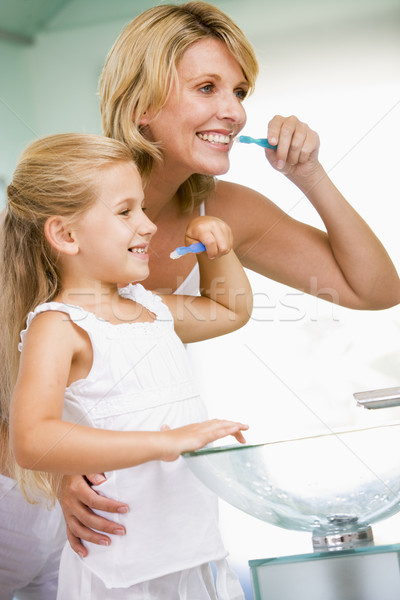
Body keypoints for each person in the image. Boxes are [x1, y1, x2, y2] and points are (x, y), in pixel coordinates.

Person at [57, 0, 400, 560]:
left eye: (239, 92)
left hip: (132, 504)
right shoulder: (67, 204)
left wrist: (309, 175)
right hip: (34, 495)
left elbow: (376, 290)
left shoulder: (223, 208)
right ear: (140, 103)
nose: (234, 112)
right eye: (207, 87)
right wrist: (51, 473)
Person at [2, 132, 251, 599]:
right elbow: (32, 440)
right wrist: (167, 441)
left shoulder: (149, 308)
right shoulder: (60, 326)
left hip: (193, 553)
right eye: (125, 212)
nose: (149, 224)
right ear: (65, 234)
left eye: (141, 207)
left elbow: (229, 309)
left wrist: (222, 250)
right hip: (124, 571)